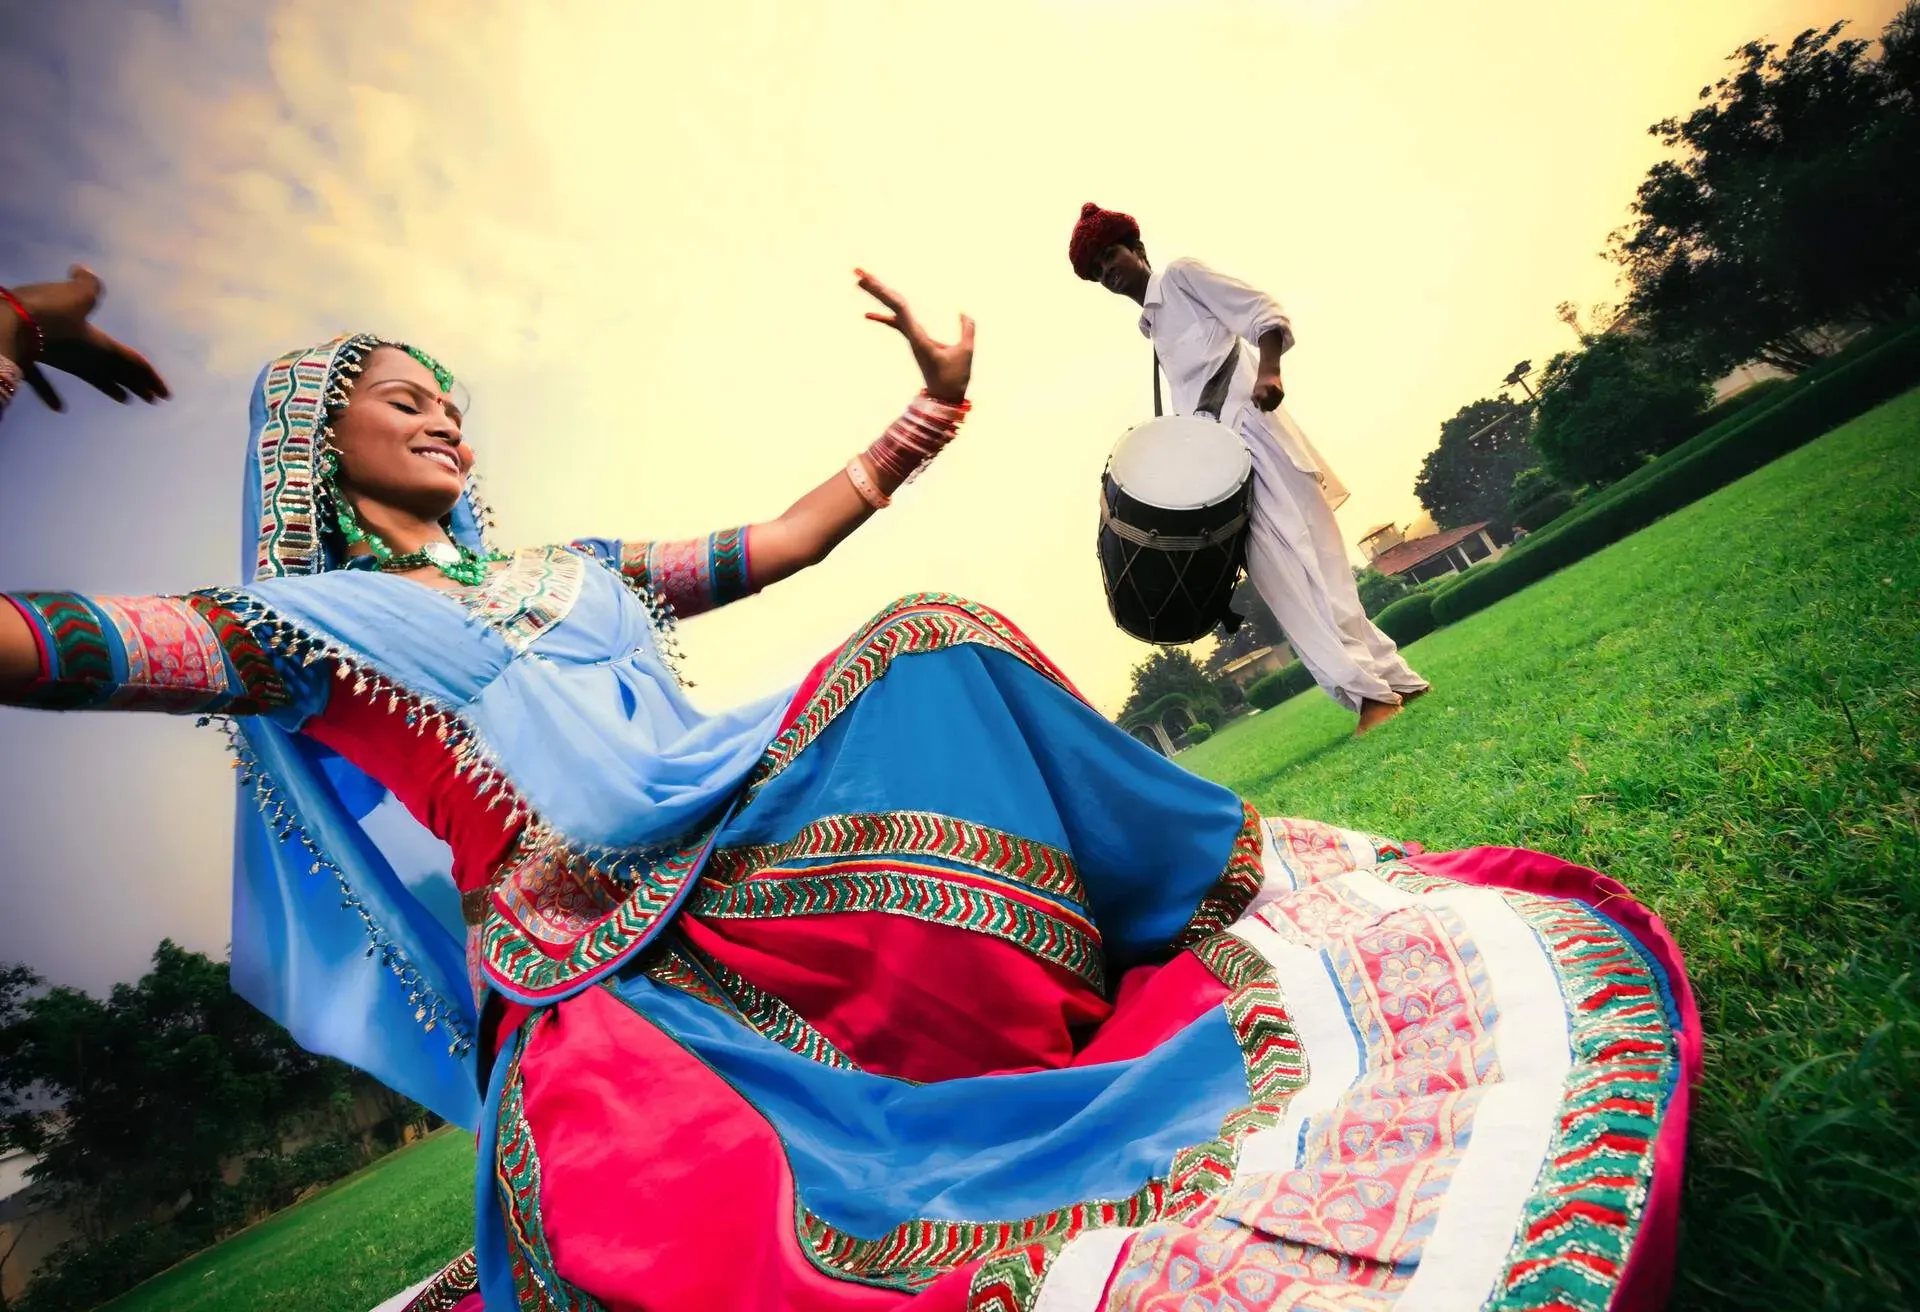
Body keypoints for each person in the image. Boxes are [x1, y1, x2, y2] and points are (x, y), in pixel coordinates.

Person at [0, 266, 1697, 1312]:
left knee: (933, 639)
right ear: (321, 441)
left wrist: (927, 409)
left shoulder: (575, 570)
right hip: (606, 989)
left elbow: (781, 541)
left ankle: (1188, 904)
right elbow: (41, 645)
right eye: (402, 400)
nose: (444, 417)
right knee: (716, 1213)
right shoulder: (292, 629)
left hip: (741, 857)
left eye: (451, 398)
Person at [1069, 204, 1431, 736]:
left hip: (1258, 440)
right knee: (1311, 573)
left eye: (1111, 255)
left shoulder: (1182, 277)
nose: (1108, 271)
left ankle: (1368, 696)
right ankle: (1395, 680)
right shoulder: (1153, 329)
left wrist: (1271, 371)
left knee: (1298, 579)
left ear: (1138, 249)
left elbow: (1262, 312)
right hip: (1230, 468)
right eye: (1098, 270)